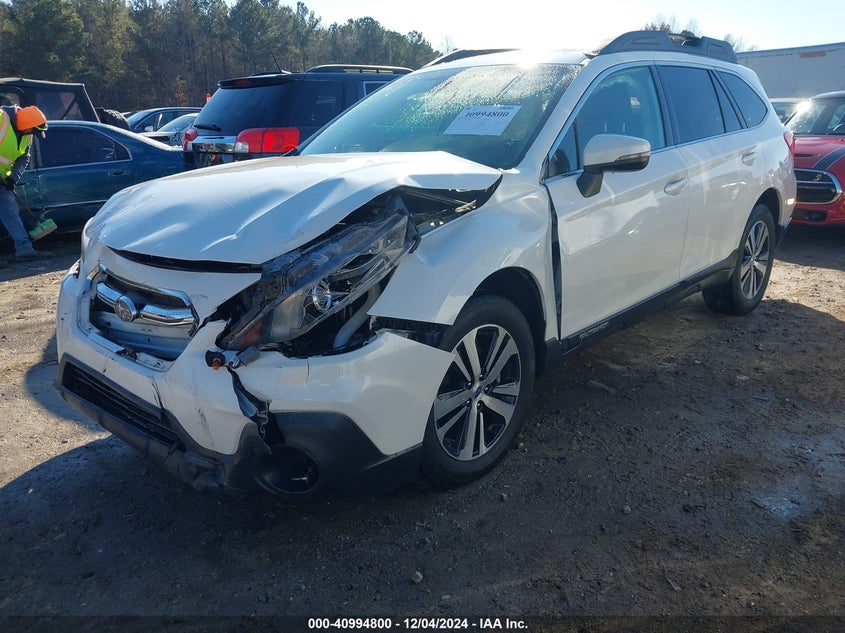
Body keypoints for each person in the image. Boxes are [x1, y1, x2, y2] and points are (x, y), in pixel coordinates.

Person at [0, 105, 49, 260]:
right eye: (32, 131)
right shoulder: (1, 119)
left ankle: (24, 250)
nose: (32, 135)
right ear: (25, 125)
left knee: (10, 212)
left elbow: (24, 158)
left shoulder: (27, 134)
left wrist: (13, 177)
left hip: (2, 180)